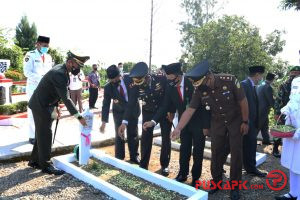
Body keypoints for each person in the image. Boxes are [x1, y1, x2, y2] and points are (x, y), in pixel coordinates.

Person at [171, 60, 249, 200]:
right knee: (216, 152)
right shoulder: (200, 89)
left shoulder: (230, 80)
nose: (200, 87)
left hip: (235, 121)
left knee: (236, 153)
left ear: (210, 76)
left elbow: (243, 101)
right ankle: (217, 182)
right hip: (217, 123)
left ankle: (235, 186)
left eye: (202, 83)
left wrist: (245, 121)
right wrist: (178, 128)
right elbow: (190, 110)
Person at [143, 62, 210, 186]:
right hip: (183, 124)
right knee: (184, 149)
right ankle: (182, 174)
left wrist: (206, 126)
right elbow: (165, 106)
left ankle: (195, 178)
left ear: (179, 76)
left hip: (199, 122)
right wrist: (153, 121)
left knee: (198, 151)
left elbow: (205, 105)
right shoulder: (170, 86)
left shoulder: (193, 82)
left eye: (171, 79)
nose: (170, 82)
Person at [27, 51, 89, 175]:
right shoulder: (60, 74)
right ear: (70, 62)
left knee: (41, 134)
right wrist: (78, 116)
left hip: (45, 104)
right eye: (77, 66)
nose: (78, 69)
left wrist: (56, 107)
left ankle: (34, 161)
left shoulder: (63, 70)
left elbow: (55, 92)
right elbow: (66, 98)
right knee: (46, 134)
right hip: (41, 106)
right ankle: (46, 165)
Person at [118, 62, 173, 175]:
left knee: (166, 138)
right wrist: (124, 122)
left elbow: (168, 97)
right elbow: (131, 104)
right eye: (136, 82)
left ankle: (165, 164)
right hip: (148, 111)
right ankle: (144, 165)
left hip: (164, 111)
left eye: (141, 81)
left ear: (147, 77)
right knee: (145, 138)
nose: (138, 84)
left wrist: (171, 111)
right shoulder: (135, 85)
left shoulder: (161, 79)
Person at [100, 65, 140, 164]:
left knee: (133, 133)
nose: (113, 81)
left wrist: (125, 121)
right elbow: (105, 105)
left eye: (115, 79)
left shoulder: (130, 79)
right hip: (118, 112)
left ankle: (134, 156)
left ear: (120, 75)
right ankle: (119, 156)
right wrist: (103, 122)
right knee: (119, 134)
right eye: (111, 80)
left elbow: (133, 100)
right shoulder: (108, 87)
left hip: (133, 109)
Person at [23, 35, 53, 144]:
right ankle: (32, 136)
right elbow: (27, 72)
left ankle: (40, 134)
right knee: (32, 111)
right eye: (44, 45)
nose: (46, 48)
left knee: (44, 112)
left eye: (47, 46)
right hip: (33, 87)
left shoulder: (48, 57)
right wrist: (40, 78)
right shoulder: (30, 55)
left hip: (45, 88)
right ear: (38, 44)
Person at [275, 76, 300, 200]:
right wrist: (286, 109)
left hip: (298, 132)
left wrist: (297, 133)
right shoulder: (296, 81)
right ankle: (293, 192)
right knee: (293, 165)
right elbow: (293, 99)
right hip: (292, 128)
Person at [241, 65, 267, 177]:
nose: (261, 78)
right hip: (247, 122)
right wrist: (245, 121)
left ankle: (249, 167)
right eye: (261, 75)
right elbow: (241, 104)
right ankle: (251, 168)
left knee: (250, 145)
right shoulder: (244, 84)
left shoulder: (251, 85)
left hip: (252, 122)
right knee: (248, 145)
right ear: (257, 75)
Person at [274, 66, 300, 158]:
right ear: (290, 73)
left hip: (295, 114)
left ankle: (288, 151)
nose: (294, 75)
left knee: (291, 133)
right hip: (284, 112)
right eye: (293, 73)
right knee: (280, 131)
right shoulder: (284, 85)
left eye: (296, 73)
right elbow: (278, 99)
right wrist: (277, 113)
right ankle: (275, 149)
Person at [257, 72, 276, 145]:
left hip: (259, 109)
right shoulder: (268, 87)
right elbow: (270, 100)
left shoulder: (260, 85)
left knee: (265, 126)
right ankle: (250, 141)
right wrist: (276, 109)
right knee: (258, 127)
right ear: (272, 79)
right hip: (263, 110)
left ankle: (266, 140)